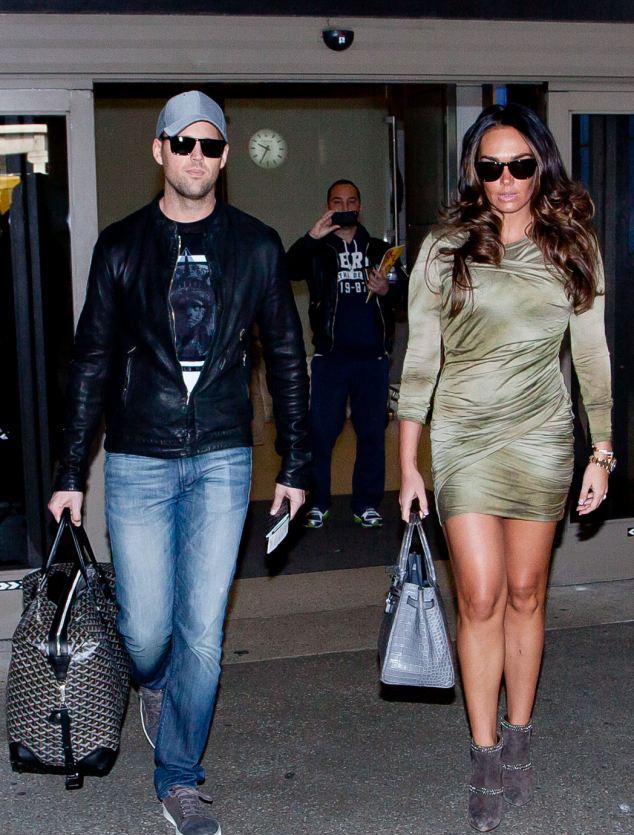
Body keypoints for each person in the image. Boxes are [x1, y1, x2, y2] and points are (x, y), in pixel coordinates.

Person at [48, 90, 310, 835]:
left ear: (224, 158)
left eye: (211, 145)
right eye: (184, 143)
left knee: (202, 632)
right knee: (144, 635)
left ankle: (180, 777)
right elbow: (92, 361)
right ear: (159, 150)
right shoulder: (121, 246)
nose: (198, 156)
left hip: (224, 457)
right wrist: (70, 471)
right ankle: (155, 683)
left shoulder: (256, 245)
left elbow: (286, 356)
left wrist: (296, 460)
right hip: (139, 457)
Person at [398, 104, 613, 832]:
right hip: (464, 439)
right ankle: (485, 750)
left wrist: (602, 451)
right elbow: (420, 360)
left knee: (526, 591)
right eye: (491, 167)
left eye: (520, 164)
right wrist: (409, 462)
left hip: (542, 439)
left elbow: (591, 355)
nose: (507, 180)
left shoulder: (573, 246)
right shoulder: (445, 248)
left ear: (541, 165)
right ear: (475, 173)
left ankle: (520, 732)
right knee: (481, 594)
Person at [287, 179, 406, 529]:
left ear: (360, 206)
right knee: (321, 433)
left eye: (351, 201)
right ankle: (317, 502)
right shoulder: (318, 250)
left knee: (372, 433)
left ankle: (366, 503)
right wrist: (311, 237)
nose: (345, 207)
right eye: (337, 202)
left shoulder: (380, 250)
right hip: (330, 357)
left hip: (373, 358)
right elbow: (287, 269)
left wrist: (386, 290)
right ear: (329, 207)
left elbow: (406, 293)